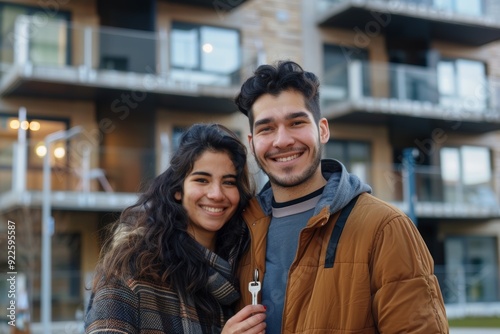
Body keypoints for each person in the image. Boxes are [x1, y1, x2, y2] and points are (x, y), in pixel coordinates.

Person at [234, 60, 449, 333]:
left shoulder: (385, 227)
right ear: (252, 143)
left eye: (296, 122)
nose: (282, 141)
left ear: (322, 130)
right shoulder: (239, 231)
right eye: (267, 129)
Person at [84, 123, 266, 333]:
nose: (216, 194)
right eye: (202, 180)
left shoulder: (244, 268)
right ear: (178, 190)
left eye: (228, 182)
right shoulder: (130, 272)